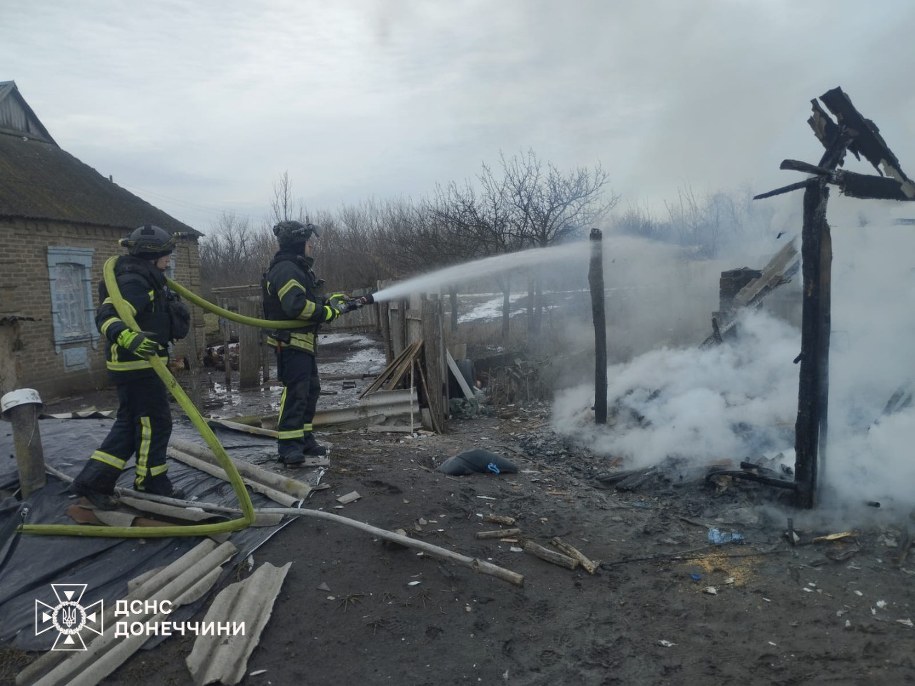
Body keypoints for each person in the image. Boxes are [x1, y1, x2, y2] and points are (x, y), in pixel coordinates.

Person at [71, 225, 191, 508]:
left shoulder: (148, 278)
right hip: (136, 365)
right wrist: (129, 338)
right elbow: (106, 317)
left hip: (142, 364)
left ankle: (94, 481)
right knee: (155, 422)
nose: (169, 259)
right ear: (152, 255)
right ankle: (151, 481)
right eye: (166, 254)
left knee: (130, 424)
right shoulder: (135, 281)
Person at [262, 220, 347, 465]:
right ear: (299, 243)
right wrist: (327, 313)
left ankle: (304, 438)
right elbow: (296, 306)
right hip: (290, 342)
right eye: (309, 241)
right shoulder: (286, 269)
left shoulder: (297, 268)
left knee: (310, 391)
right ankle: (288, 446)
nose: (312, 245)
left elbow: (304, 299)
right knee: (296, 393)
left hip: (303, 342)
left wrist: (327, 302)